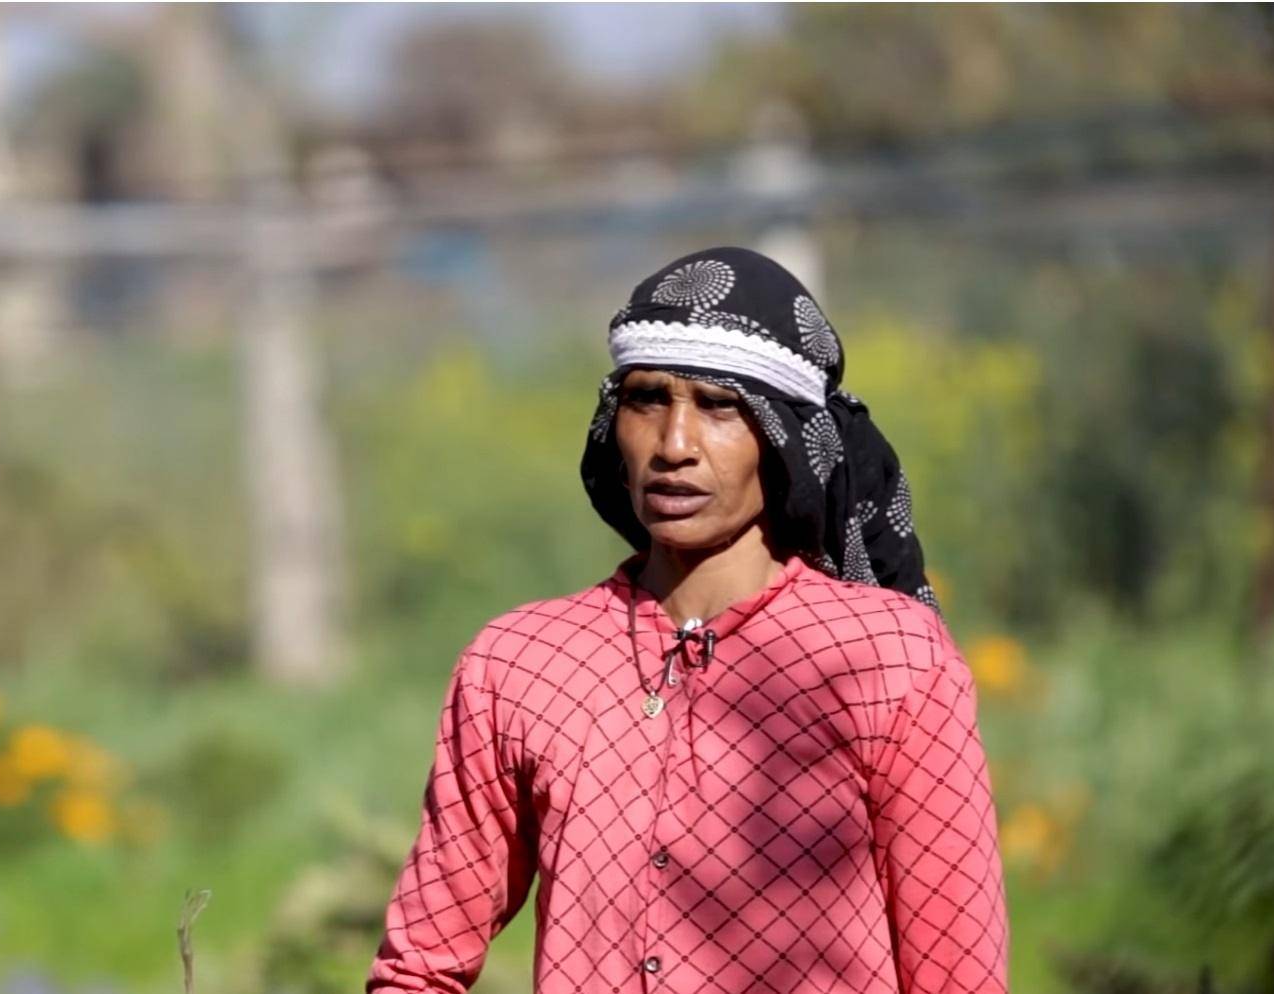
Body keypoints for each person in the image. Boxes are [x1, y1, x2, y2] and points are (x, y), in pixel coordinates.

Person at [366, 246, 1010, 994]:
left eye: (719, 406)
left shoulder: (889, 660)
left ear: (782, 437)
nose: (674, 446)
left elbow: (959, 975)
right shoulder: (518, 664)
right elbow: (418, 968)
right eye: (647, 400)